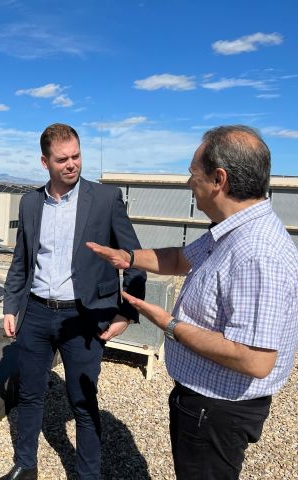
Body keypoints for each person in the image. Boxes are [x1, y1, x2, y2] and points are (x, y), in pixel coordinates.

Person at [87, 125, 298, 479]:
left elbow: (255, 359)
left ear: (219, 179)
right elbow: (179, 259)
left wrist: (169, 324)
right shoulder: (229, 230)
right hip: (203, 404)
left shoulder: (257, 251)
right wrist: (127, 257)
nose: (188, 184)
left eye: (192, 174)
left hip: (217, 411)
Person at [2, 123, 146, 480]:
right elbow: (22, 260)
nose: (72, 164)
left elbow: (134, 258)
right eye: (62, 159)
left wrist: (127, 311)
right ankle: (25, 465)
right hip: (35, 313)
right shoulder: (30, 203)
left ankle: (87, 476)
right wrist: (11, 305)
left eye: (76, 156)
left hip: (83, 318)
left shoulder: (105, 199)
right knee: (30, 395)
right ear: (44, 162)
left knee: (82, 403)